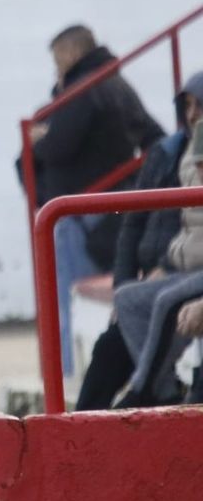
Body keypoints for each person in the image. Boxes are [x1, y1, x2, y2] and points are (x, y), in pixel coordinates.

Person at [25, 25, 164, 376]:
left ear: (72, 53)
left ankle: (68, 379)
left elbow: (57, 147)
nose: (55, 68)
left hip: (82, 215)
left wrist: (40, 138)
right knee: (97, 302)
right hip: (112, 211)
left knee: (69, 305)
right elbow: (155, 137)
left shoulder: (84, 90)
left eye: (57, 59)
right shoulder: (117, 85)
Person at [74, 73, 200, 410]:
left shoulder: (193, 155)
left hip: (181, 275)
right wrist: (123, 282)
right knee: (114, 338)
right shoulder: (167, 152)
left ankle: (149, 391)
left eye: (198, 105)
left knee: (165, 307)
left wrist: (166, 267)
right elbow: (132, 223)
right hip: (166, 272)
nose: (192, 115)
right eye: (187, 105)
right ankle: (77, 433)